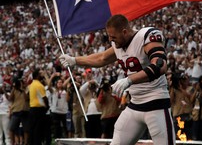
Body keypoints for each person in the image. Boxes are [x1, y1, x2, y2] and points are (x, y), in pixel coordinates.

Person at [60, 14, 175, 145]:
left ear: (124, 32)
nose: (111, 40)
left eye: (113, 37)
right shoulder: (118, 44)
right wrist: (75, 60)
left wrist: (129, 80)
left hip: (156, 104)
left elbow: (160, 66)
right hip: (135, 104)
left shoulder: (145, 36)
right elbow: (101, 58)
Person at [28, 68, 49, 145]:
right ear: (37, 75)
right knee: (38, 130)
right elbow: (44, 98)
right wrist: (47, 106)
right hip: (39, 110)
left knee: (32, 129)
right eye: (40, 74)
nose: (42, 75)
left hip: (32, 108)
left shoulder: (31, 85)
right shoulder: (39, 85)